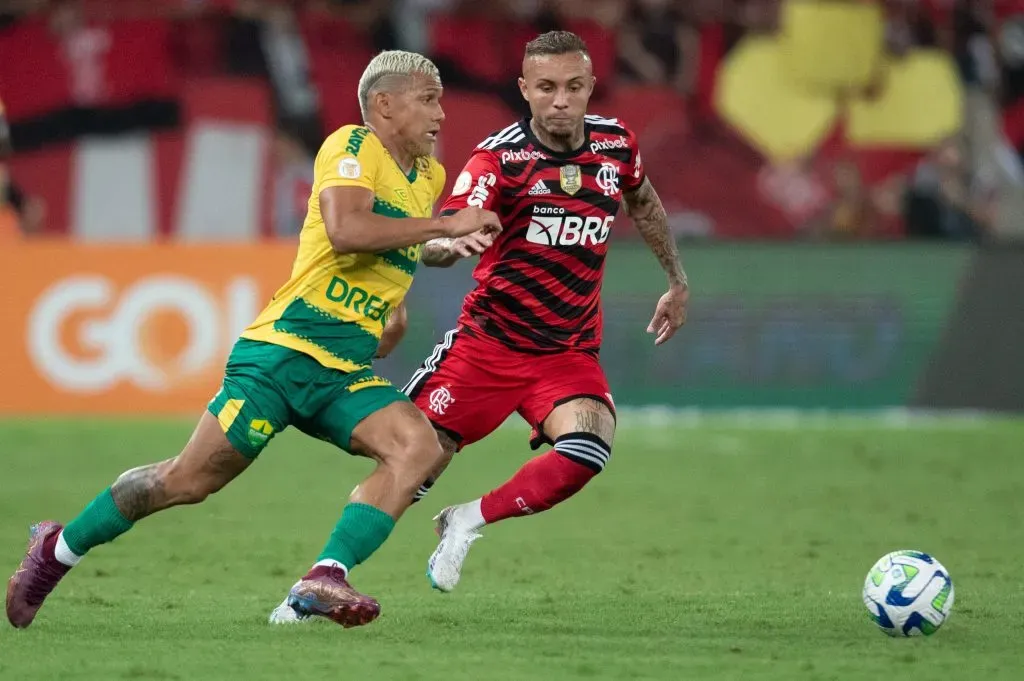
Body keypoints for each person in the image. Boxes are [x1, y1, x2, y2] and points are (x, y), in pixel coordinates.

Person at [6, 50, 500, 630]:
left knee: (417, 446)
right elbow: (345, 231)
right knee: (184, 482)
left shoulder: (430, 176)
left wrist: (435, 255)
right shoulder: (352, 146)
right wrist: (445, 225)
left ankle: (325, 577)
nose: (441, 112)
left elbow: (397, 242)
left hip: (342, 367)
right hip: (282, 354)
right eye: (427, 98)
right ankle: (57, 549)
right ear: (384, 105)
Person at [270, 30, 688, 622]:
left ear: (591, 86)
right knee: (409, 467)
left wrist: (676, 279)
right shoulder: (500, 158)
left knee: (589, 448)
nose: (561, 100)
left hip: (566, 353)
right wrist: (453, 240)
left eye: (573, 87)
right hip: (485, 349)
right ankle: (318, 581)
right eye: (546, 88)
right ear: (525, 90)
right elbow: (448, 230)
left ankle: (468, 519)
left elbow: (643, 202)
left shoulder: (617, 145)